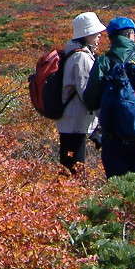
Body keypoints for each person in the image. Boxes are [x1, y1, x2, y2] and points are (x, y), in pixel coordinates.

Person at [83, 17, 135, 178]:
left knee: (117, 190)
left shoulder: (103, 62)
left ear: (111, 37)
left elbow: (90, 100)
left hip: (116, 139)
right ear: (131, 35)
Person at [55, 12, 107, 172]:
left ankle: (66, 193)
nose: (99, 36)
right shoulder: (81, 58)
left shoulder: (74, 54)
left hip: (71, 120)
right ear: (87, 34)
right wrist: (102, 117)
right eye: (96, 33)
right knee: (73, 167)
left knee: (69, 164)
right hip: (75, 122)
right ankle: (71, 195)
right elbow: (87, 93)